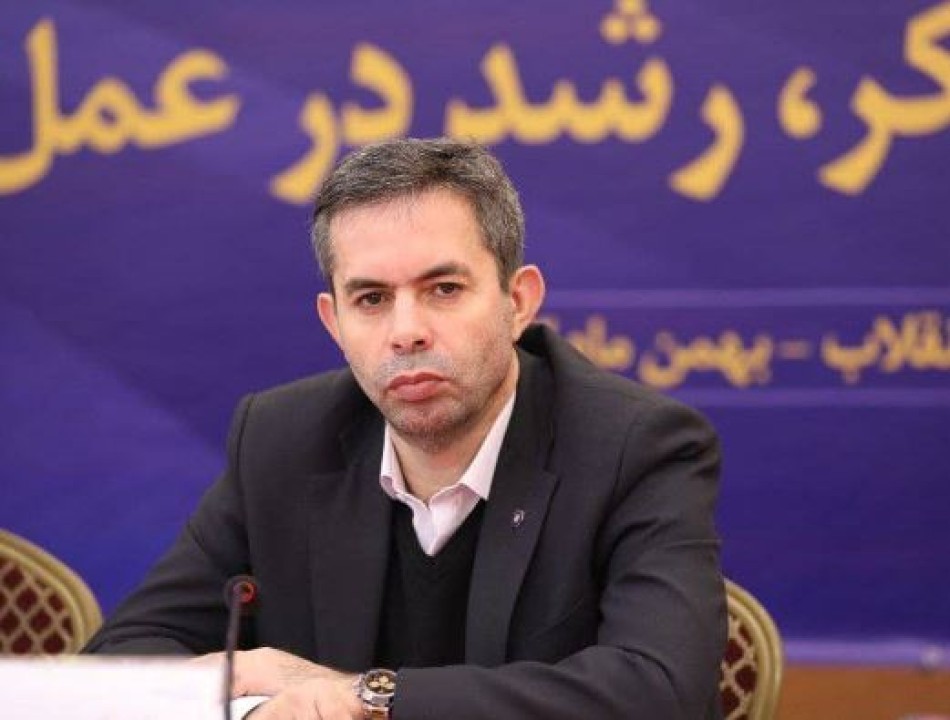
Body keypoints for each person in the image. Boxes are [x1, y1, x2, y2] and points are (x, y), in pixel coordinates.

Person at [85, 138, 727, 720]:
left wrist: (367, 697)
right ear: (334, 323)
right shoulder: (281, 440)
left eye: (443, 289)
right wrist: (250, 705)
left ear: (518, 302)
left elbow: (659, 689)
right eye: (371, 299)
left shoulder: (637, 446)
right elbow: (119, 661)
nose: (407, 331)